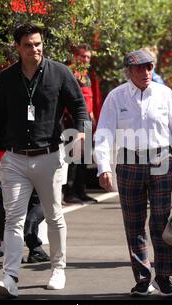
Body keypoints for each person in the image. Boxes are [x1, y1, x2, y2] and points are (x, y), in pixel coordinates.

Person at [0, 23, 89, 297]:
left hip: (49, 156)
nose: (35, 49)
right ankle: (10, 277)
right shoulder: (7, 78)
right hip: (14, 159)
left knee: (53, 216)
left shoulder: (59, 73)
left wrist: (82, 133)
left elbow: (78, 105)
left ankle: (58, 268)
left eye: (38, 44)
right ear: (18, 47)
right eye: (28, 45)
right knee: (13, 219)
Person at [94, 49, 172, 298]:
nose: (146, 72)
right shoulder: (116, 97)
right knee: (134, 223)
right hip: (128, 162)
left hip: (161, 160)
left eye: (149, 66)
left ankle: (164, 277)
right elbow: (103, 133)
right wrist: (103, 167)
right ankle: (142, 278)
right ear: (129, 71)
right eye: (140, 68)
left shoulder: (164, 94)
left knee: (160, 220)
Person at [62, 44, 98, 204]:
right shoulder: (70, 72)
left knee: (85, 157)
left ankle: (81, 191)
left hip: (86, 120)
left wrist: (91, 115)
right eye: (83, 56)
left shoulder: (85, 74)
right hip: (74, 121)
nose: (86, 60)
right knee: (74, 157)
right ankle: (69, 192)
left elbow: (87, 97)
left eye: (88, 57)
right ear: (75, 56)